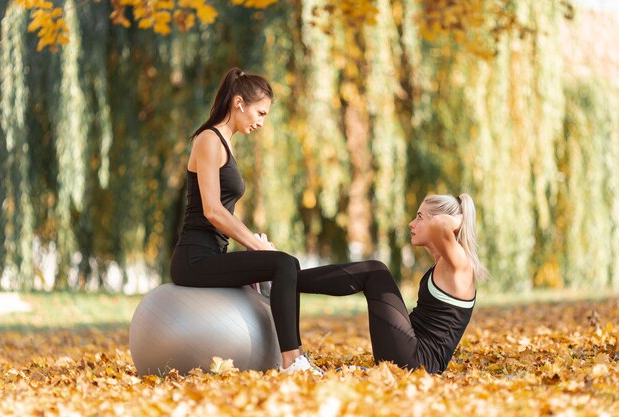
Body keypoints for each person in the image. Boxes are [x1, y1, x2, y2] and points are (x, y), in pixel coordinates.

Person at [169, 67, 321, 374]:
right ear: (239, 103)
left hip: (212, 254)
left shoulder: (224, 142)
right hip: (193, 259)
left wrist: (255, 246)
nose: (261, 123)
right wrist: (255, 244)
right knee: (283, 263)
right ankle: (293, 362)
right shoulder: (208, 140)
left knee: (283, 264)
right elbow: (213, 210)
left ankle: (296, 358)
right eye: (260, 113)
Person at [296, 194, 488, 373]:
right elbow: (437, 223)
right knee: (375, 272)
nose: (411, 224)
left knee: (375, 272)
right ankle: (292, 280)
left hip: (420, 363)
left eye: (420, 217)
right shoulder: (445, 263)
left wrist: (462, 218)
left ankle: (292, 279)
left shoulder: (460, 264)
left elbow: (439, 223)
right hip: (412, 353)